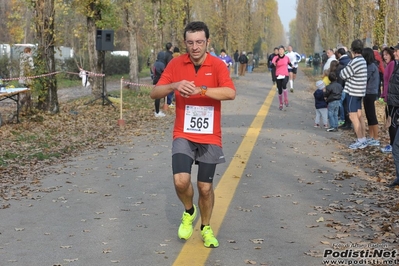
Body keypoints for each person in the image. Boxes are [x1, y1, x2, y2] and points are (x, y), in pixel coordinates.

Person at [150, 21, 236, 248]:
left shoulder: (218, 65)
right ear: (185, 43)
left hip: (210, 137)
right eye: (190, 42)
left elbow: (230, 92)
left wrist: (203, 90)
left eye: (199, 42)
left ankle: (206, 227)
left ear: (208, 42)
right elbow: (154, 92)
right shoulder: (176, 64)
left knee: (205, 188)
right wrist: (174, 85)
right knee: (181, 181)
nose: (195, 47)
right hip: (183, 133)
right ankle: (189, 211)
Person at [340, 39, 368, 149]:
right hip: (360, 91)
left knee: (353, 116)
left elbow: (343, 74)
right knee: (359, 115)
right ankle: (363, 138)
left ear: (352, 49)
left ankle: (360, 139)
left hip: (353, 92)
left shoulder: (355, 61)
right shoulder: (363, 60)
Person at [386, 44, 399, 187]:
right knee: (396, 146)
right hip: (395, 110)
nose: (394, 53)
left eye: (396, 51)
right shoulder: (396, 65)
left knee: (396, 146)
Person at [362, 47, 380, 146]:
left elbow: (365, 78)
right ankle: (371, 136)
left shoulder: (371, 66)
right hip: (367, 92)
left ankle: (376, 137)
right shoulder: (370, 65)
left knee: (372, 115)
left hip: (370, 93)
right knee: (369, 115)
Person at [380, 47, 396, 153]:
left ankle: (393, 145)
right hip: (388, 97)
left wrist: (386, 95)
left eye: (387, 54)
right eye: (384, 55)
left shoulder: (392, 65)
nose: (385, 57)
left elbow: (390, 82)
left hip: (391, 98)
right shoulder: (388, 65)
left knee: (391, 122)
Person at [272, 45, 292, 110]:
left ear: (284, 51)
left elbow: (289, 63)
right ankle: (281, 103)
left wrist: (292, 66)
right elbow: (272, 63)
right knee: (280, 90)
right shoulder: (276, 58)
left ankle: (286, 100)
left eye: (282, 50)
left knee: (284, 85)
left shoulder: (286, 57)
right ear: (278, 51)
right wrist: (273, 64)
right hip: (278, 75)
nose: (281, 51)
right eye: (279, 50)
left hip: (285, 74)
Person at [335, 48, 351, 129]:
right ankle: (346, 122)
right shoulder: (348, 60)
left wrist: (339, 88)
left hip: (343, 86)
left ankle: (345, 121)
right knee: (346, 105)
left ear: (339, 54)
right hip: (348, 86)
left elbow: (341, 77)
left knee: (343, 104)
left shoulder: (341, 63)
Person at [152, 51, 166, 117]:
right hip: (160, 80)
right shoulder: (161, 64)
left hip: (155, 80)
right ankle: (157, 112)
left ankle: (157, 111)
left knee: (158, 96)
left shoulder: (155, 63)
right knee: (158, 97)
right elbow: (164, 72)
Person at [164, 42, 174, 107]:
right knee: (171, 88)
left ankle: (167, 101)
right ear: (171, 47)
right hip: (169, 73)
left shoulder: (164, 54)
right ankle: (169, 102)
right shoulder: (171, 55)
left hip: (164, 72)